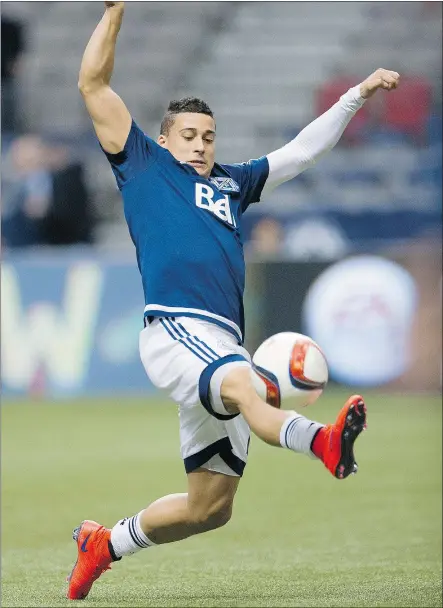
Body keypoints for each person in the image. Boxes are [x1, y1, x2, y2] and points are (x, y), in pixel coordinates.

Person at [67, 1, 400, 600]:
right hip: (174, 331)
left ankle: (106, 543)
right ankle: (321, 442)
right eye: (188, 136)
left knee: (210, 508)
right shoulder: (142, 165)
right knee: (247, 385)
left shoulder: (230, 183)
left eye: (209, 137)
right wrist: (116, 9)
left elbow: (299, 154)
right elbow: (93, 82)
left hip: (220, 341)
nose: (200, 146)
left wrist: (356, 95)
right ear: (164, 139)